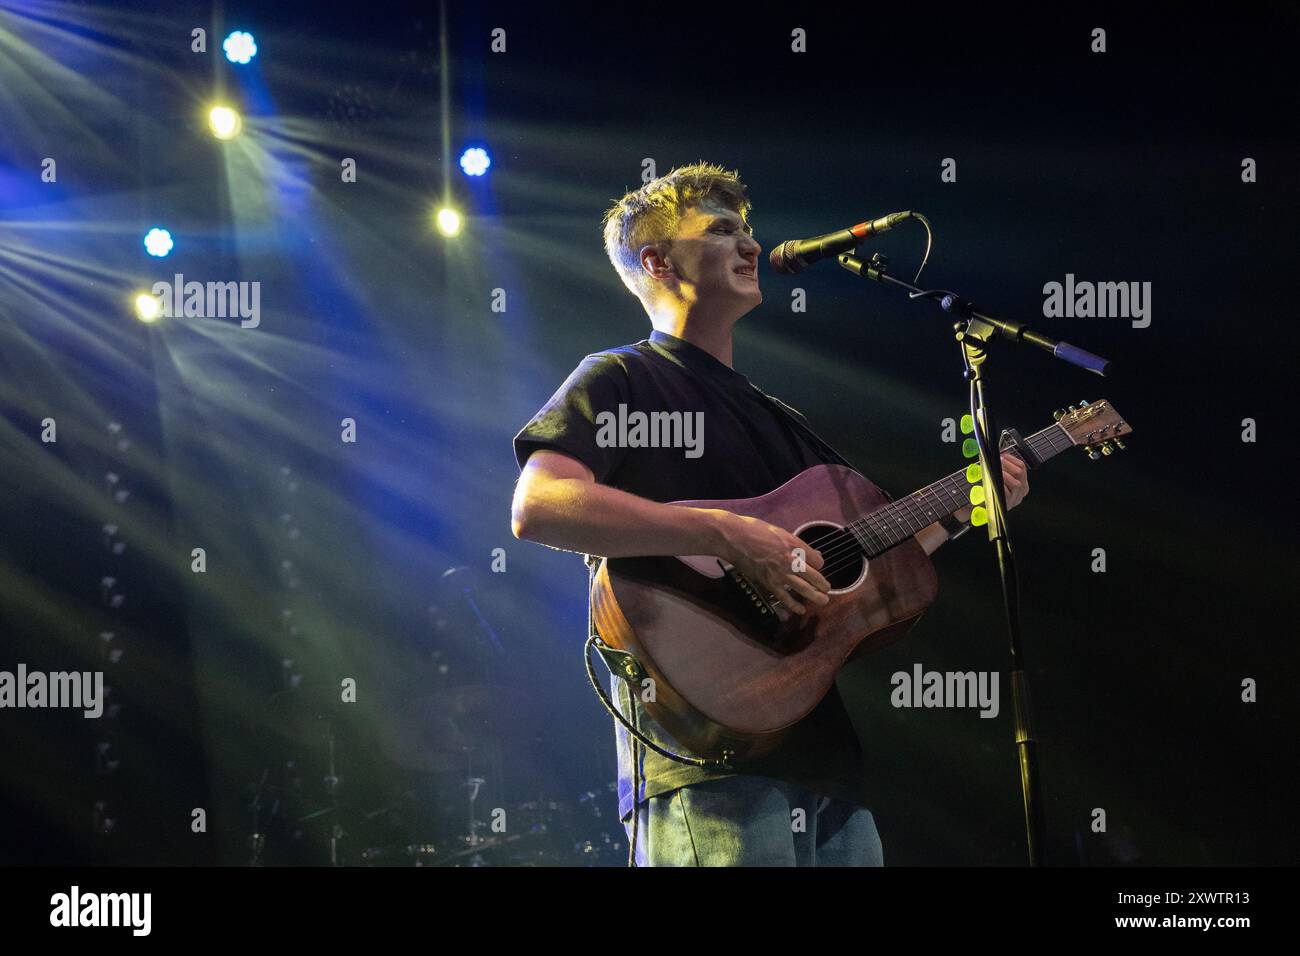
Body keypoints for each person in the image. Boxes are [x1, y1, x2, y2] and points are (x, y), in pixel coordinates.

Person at [510, 162, 1028, 866]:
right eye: (722, 231)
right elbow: (538, 506)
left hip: (825, 762)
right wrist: (724, 533)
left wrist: (970, 506)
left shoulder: (781, 421)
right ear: (657, 261)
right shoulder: (621, 376)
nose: (751, 245)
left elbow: (853, 564)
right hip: (704, 760)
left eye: (748, 230)